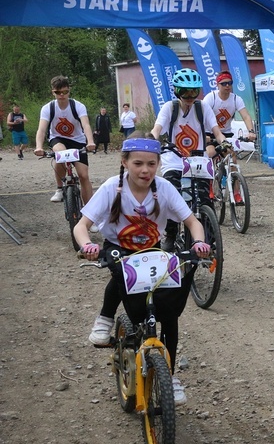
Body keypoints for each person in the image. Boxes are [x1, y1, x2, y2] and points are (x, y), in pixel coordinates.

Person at [74, 136, 211, 406]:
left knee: (170, 314)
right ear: (124, 163)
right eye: (137, 163)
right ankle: (104, 319)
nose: (145, 170)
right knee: (119, 272)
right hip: (118, 249)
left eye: (151, 164)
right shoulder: (112, 188)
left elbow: (193, 222)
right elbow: (82, 226)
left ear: (159, 164)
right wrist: (88, 245)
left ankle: (169, 375)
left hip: (153, 251)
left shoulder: (164, 189)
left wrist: (199, 242)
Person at [150, 68, 227, 251]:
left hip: (197, 160)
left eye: (194, 91)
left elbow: (216, 131)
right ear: (177, 91)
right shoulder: (170, 107)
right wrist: (151, 140)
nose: (190, 96)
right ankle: (170, 233)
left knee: (204, 199)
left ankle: (207, 239)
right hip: (173, 159)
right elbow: (157, 129)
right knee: (170, 196)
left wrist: (224, 142)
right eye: (185, 91)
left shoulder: (203, 107)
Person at [33, 76, 98, 218]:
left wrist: (90, 142)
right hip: (58, 138)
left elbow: (85, 125)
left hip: (77, 140)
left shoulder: (78, 106)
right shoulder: (48, 108)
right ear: (53, 92)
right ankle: (60, 188)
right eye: (58, 92)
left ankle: (90, 215)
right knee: (60, 153)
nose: (62, 95)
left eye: (65, 92)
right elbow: (42, 129)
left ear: (69, 91)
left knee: (84, 175)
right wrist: (38, 147)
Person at [202, 70, 257, 203]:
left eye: (230, 83)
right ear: (218, 85)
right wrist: (203, 135)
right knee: (209, 154)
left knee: (232, 160)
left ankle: (237, 192)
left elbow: (245, 115)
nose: (227, 86)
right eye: (224, 83)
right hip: (210, 133)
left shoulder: (236, 99)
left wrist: (251, 131)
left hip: (225, 134)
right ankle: (209, 186)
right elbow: (201, 116)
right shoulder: (211, 98)